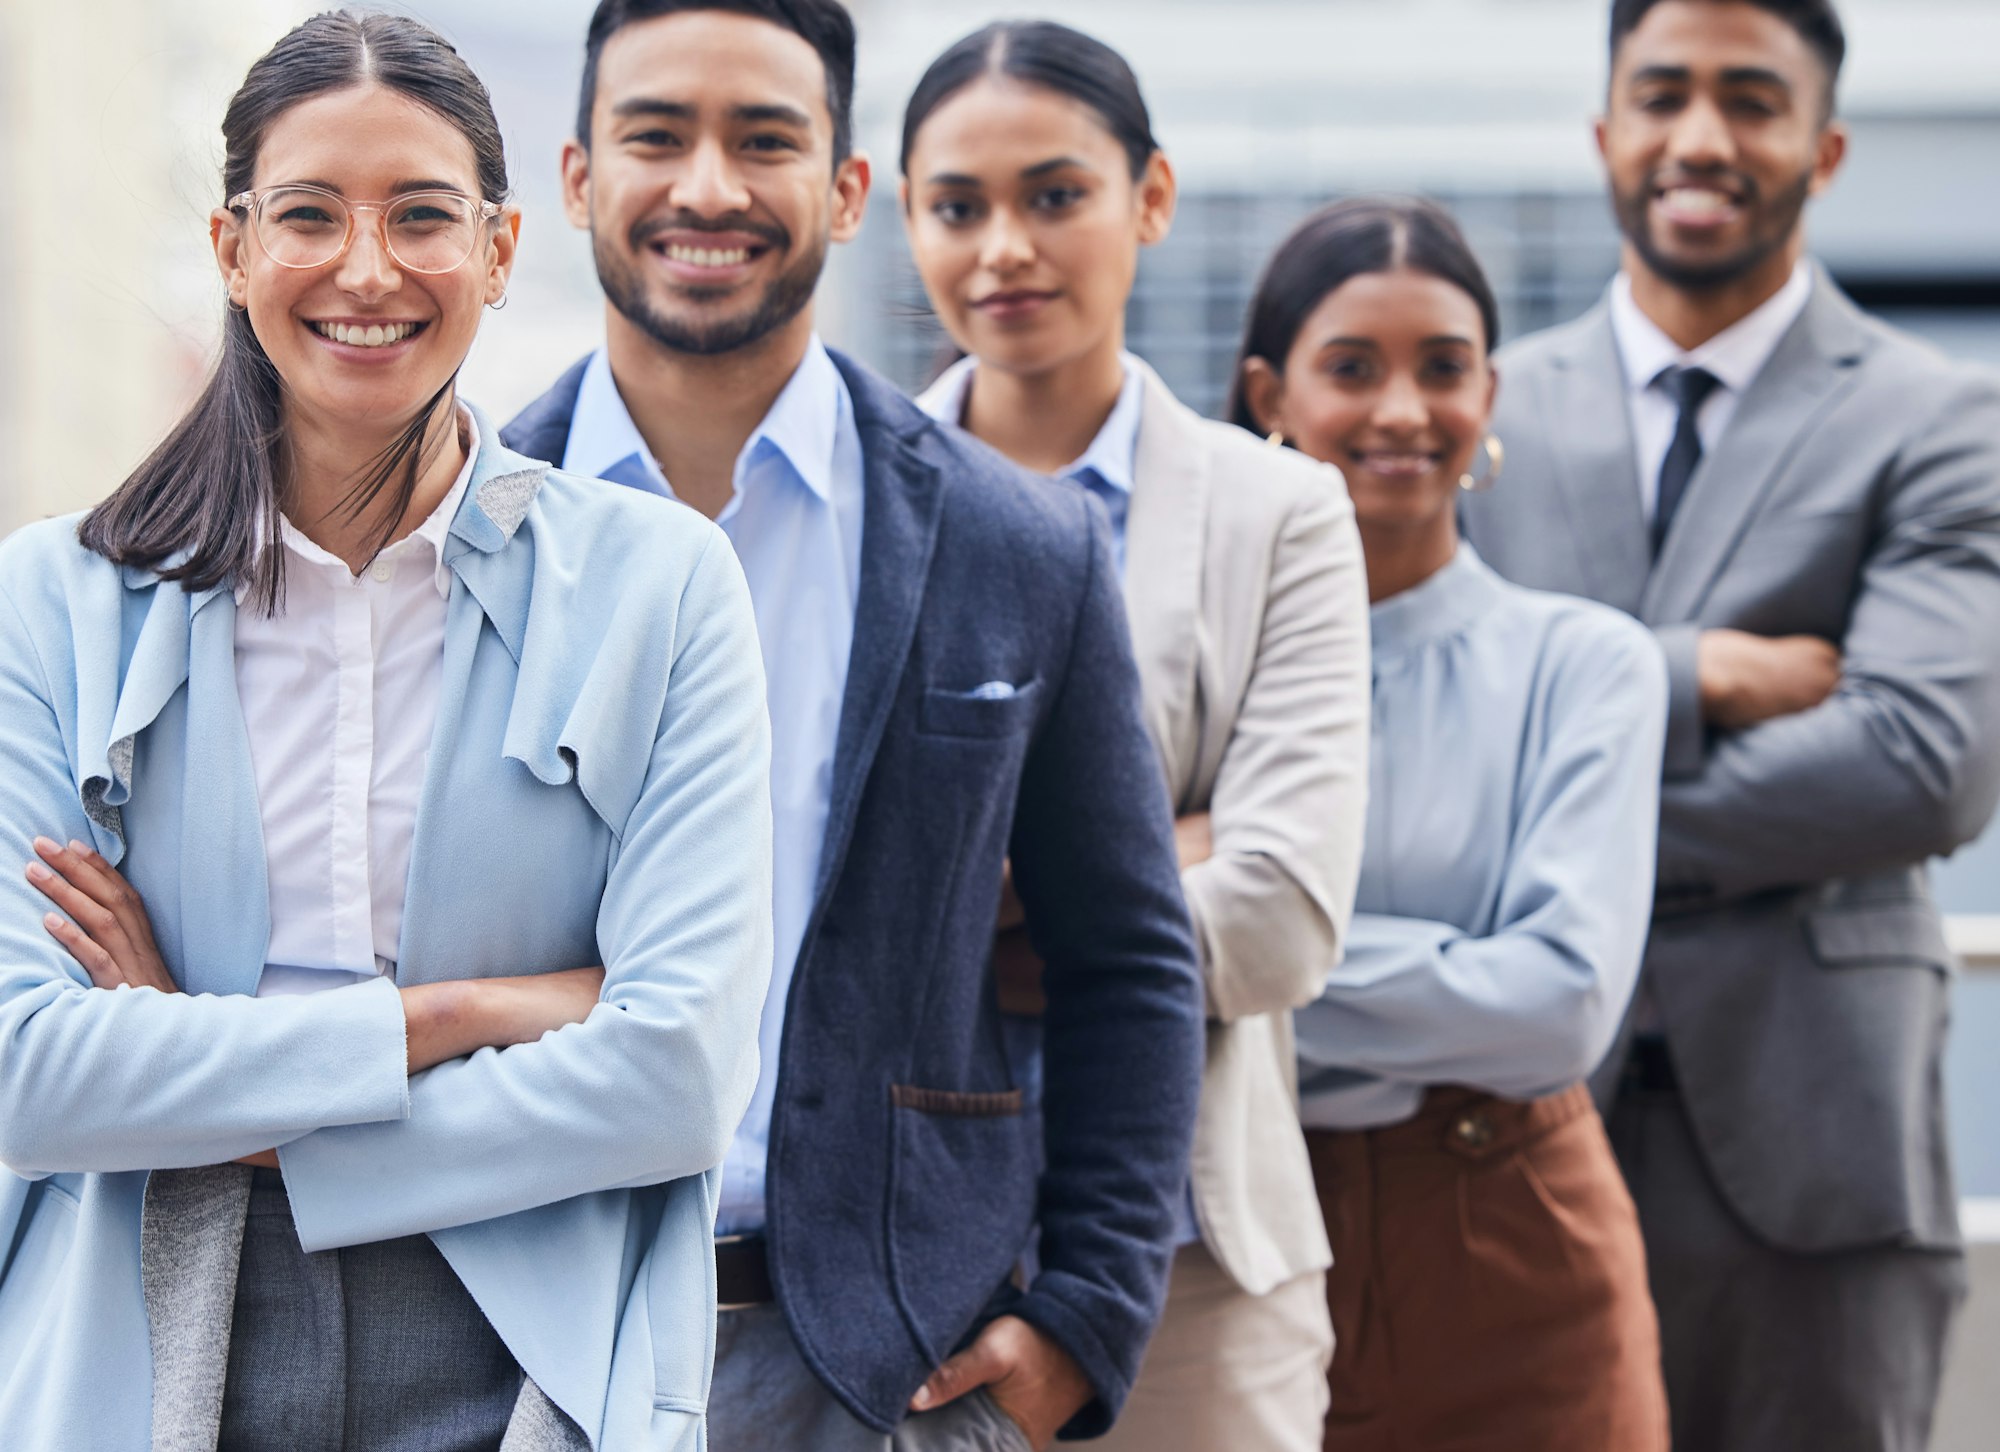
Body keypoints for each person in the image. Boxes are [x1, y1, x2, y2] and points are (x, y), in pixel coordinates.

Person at [0, 12, 775, 1450]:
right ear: (233, 251)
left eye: (423, 216)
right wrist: (456, 1018)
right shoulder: (53, 601)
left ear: (495, 249)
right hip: (149, 1323)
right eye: (308, 216)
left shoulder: (661, 586)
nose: (366, 270)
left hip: (529, 1334)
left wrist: (188, 1057)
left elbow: (674, 1079)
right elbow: (29, 1076)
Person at [501, 2, 1206, 1449]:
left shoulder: (1019, 545)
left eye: (765, 139)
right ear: (577, 178)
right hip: (502, 1344)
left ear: (841, 188)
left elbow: (1130, 962)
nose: (708, 188)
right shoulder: (454, 524)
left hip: (880, 1364)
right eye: (656, 135)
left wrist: (1083, 1316)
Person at [1460, 1, 2000, 1446]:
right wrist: (1700, 675)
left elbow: (1915, 767)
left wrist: (1535, 806)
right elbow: (1405, 729)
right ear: (1605, 134)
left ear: (1821, 152)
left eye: (1752, 101)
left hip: (1815, 1148)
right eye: (1665, 95)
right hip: (1491, 1131)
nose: (1703, 137)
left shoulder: (1942, 417)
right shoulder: (1473, 409)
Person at [899, 24, 1369, 1452]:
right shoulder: (852, 504)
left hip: (1197, 1267)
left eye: (1056, 196)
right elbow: (821, 898)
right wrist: (1160, 851)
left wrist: (990, 902)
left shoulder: (1279, 513)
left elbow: (1284, 913)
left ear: (1149, 199)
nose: (1004, 250)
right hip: (904, 1245)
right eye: (958, 206)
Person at [1233, 197, 1672, 1452]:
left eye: (1443, 367)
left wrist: (1243, 953)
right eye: (1350, 368)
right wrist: (1426, 983)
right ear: (1271, 393)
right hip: (1237, 1228)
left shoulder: (1584, 664)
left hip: (1513, 1245)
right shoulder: (1193, 662)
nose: (1401, 412)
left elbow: (1558, 1008)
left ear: (1490, 393)